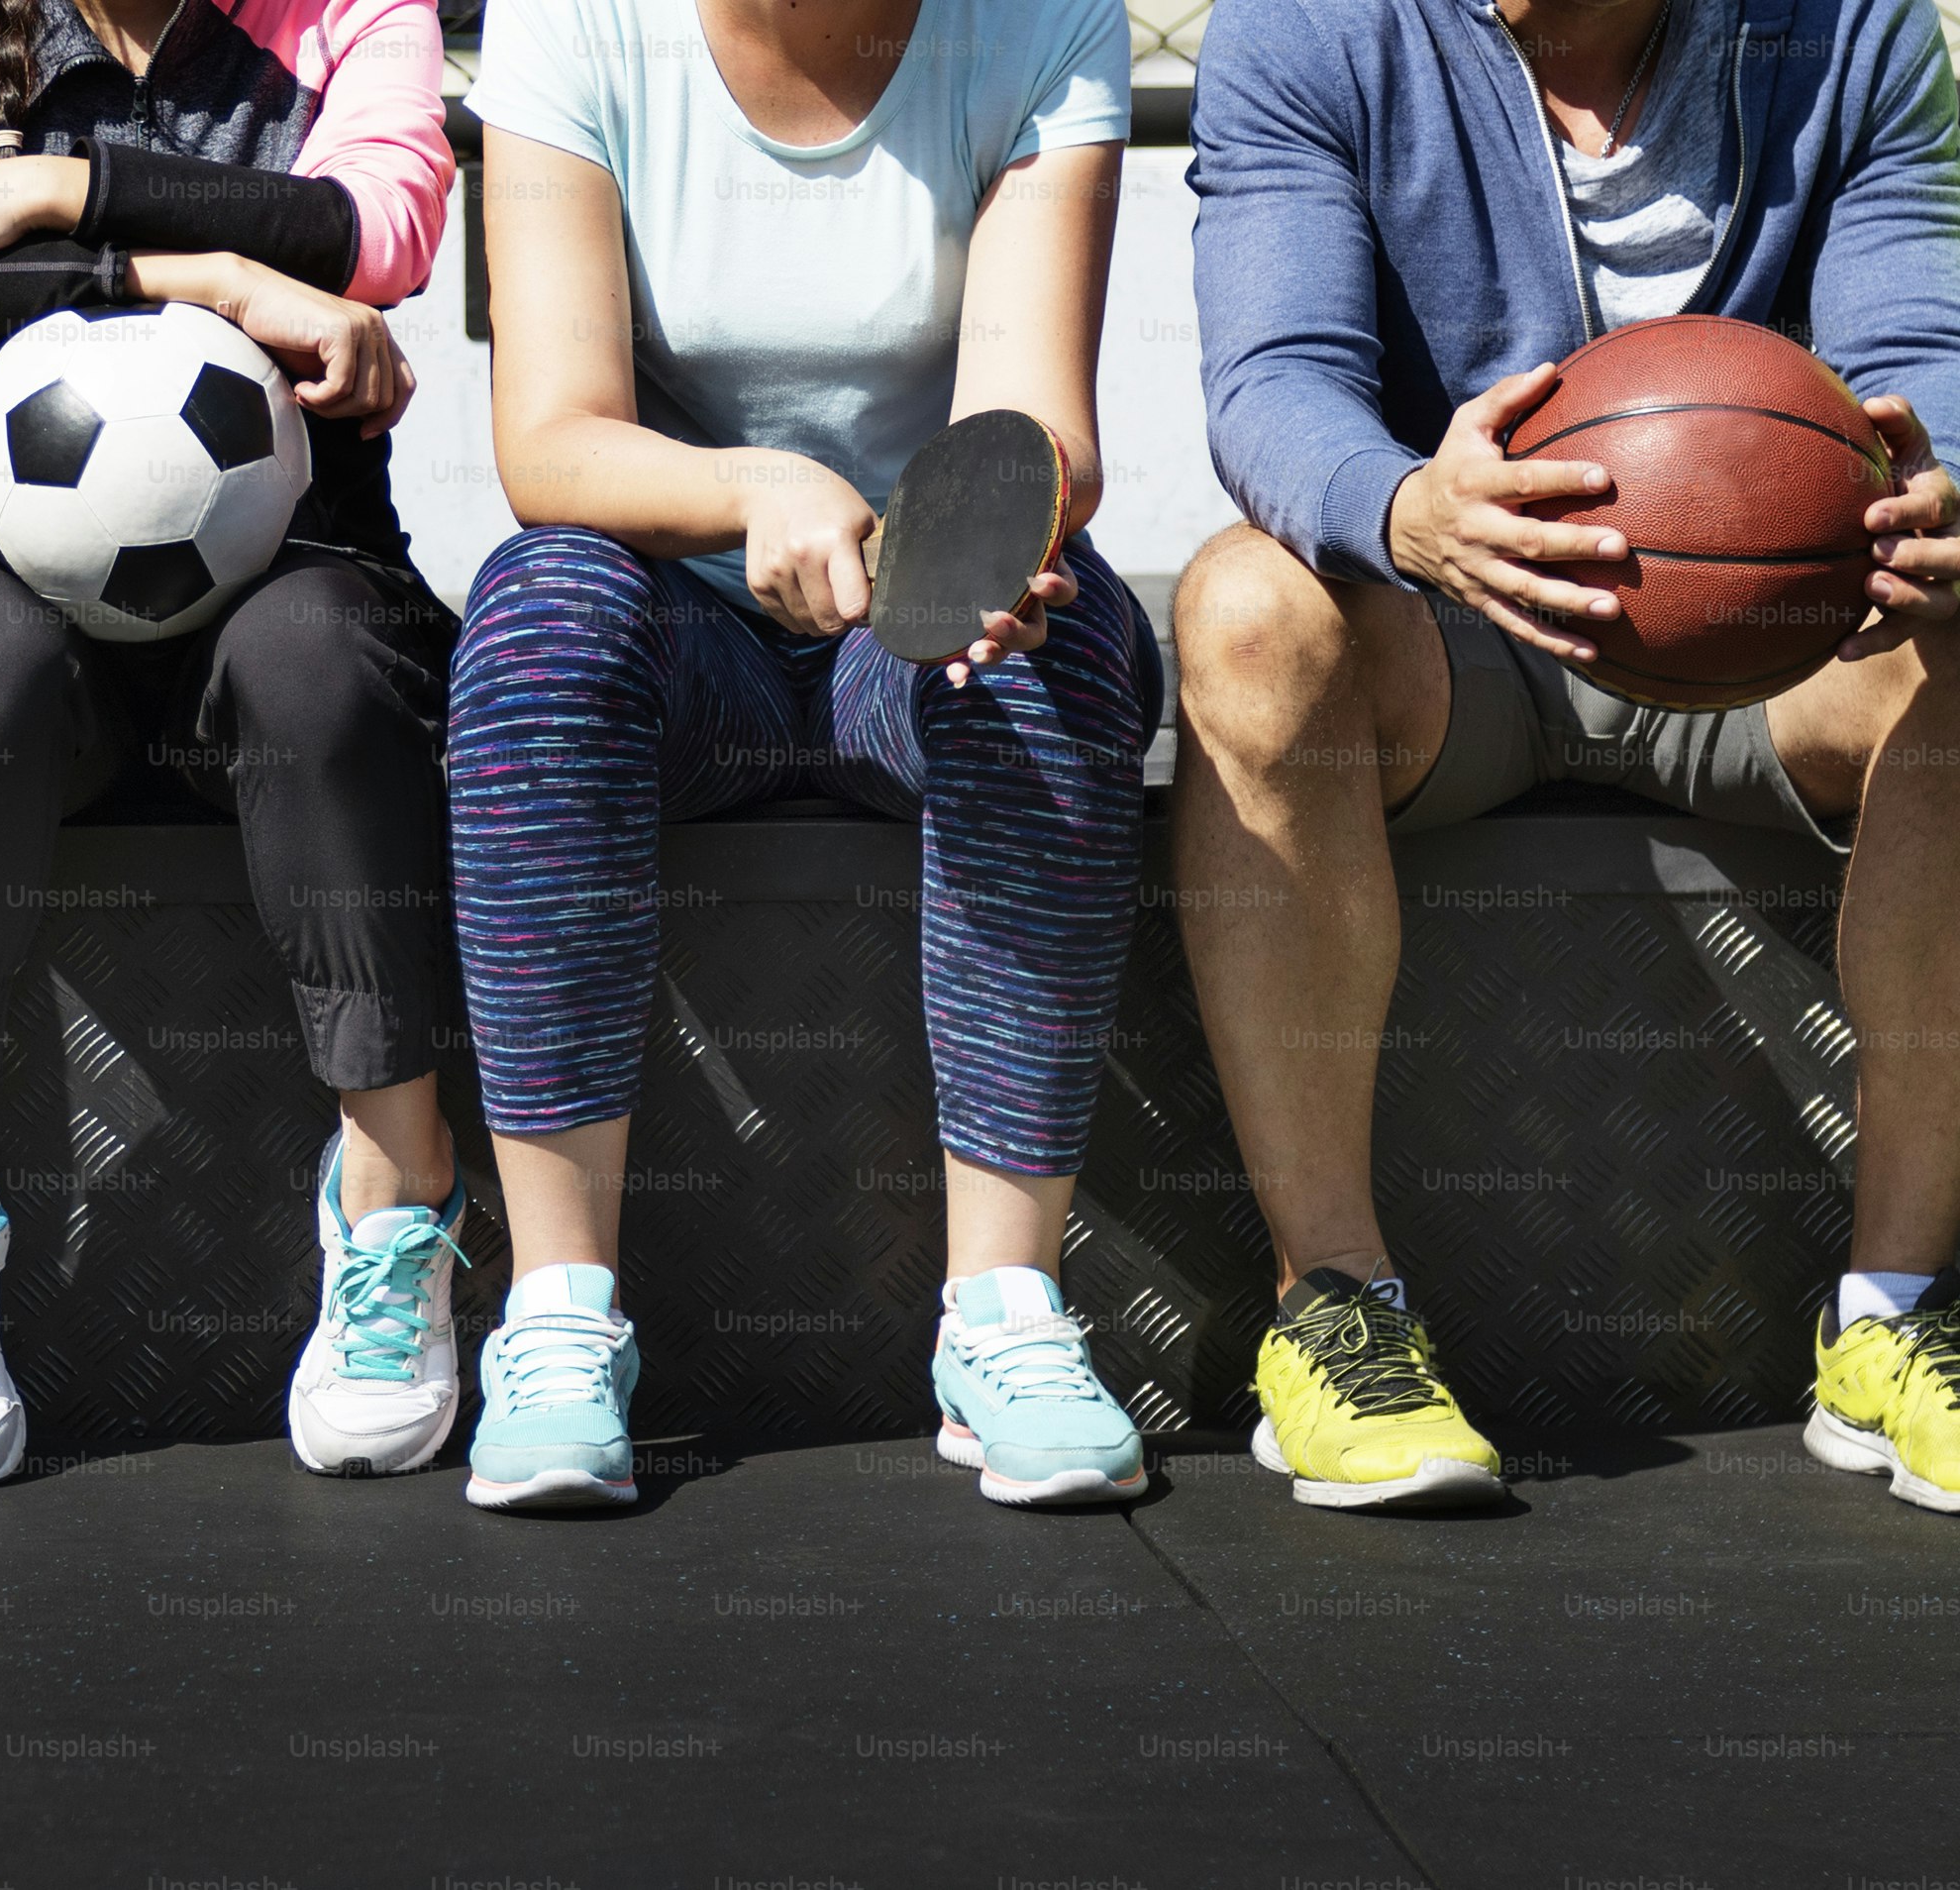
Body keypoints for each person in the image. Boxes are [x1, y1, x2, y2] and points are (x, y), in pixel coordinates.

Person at [1177, 0, 1960, 1511]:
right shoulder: (1306, 29)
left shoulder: (1850, 29)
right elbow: (1272, 384)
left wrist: (1936, 499)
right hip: (1451, 620)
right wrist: (1409, 509)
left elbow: (1922, 360)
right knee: (1246, 610)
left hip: (1772, 641)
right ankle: (1334, 1308)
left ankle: (1900, 1313)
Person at [446, 0, 1157, 1510]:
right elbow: (552, 443)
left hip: (910, 626)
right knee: (536, 616)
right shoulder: (574, 24)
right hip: (683, 618)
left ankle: (1002, 1317)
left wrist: (989, 561)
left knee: (1074, 637)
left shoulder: (1045, 24)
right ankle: (561, 1316)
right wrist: (756, 486)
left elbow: (1041, 430)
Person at [0, 0, 462, 1485]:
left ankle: (397, 1196)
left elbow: (375, 233)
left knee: (319, 666)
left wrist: (49, 191)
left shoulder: (356, 13)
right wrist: (212, 275)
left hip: (298, 556)